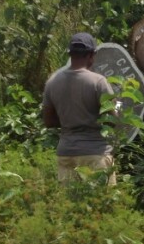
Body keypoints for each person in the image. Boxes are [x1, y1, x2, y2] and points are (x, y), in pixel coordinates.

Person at [42, 32, 116, 184]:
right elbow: (112, 120)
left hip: (66, 154)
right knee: (102, 204)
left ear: (71, 54)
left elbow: (48, 121)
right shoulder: (98, 82)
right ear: (91, 55)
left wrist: (70, 120)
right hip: (95, 154)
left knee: (70, 204)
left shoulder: (52, 82)